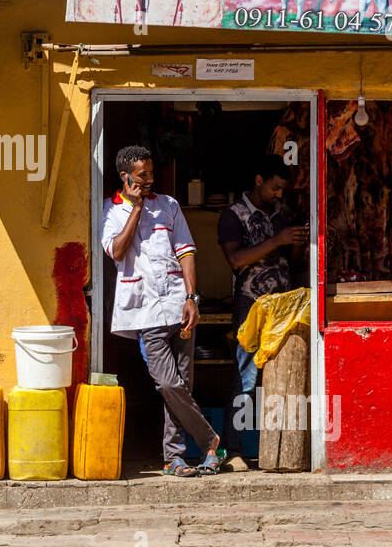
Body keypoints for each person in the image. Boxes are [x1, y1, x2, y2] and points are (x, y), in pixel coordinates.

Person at [102, 145, 223, 478]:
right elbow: (116, 250)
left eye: (151, 174)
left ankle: (174, 458)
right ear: (126, 177)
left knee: (182, 385)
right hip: (144, 313)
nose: (149, 180)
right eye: (143, 176)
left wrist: (192, 298)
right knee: (169, 384)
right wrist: (136, 209)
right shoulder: (110, 211)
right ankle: (211, 440)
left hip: (178, 307)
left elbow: (185, 252)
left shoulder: (169, 206)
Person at [217, 154, 308, 471]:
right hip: (251, 306)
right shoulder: (233, 215)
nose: (279, 194)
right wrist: (278, 239)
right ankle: (232, 451)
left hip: (285, 307)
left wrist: (296, 243)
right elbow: (236, 260)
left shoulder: (283, 215)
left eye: (282, 189)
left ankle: (282, 450)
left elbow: (293, 264)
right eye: (275, 187)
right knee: (245, 377)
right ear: (258, 180)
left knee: (284, 378)